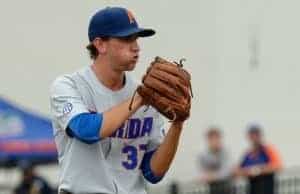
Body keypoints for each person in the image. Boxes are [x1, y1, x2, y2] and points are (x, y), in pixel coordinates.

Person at [50, 6, 188, 194]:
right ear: (100, 44)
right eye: (126, 39)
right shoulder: (68, 85)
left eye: (136, 39)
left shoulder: (146, 94)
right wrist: (140, 97)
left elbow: (153, 172)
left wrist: (177, 125)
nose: (136, 47)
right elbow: (86, 130)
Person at [234, 124, 283, 194]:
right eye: (252, 135)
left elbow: (278, 165)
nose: (254, 137)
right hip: (253, 189)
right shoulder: (248, 154)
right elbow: (237, 171)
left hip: (266, 188)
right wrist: (249, 171)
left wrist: (259, 170)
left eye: (256, 134)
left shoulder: (268, 150)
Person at [197, 127, 233, 194]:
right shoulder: (203, 155)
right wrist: (208, 177)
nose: (215, 141)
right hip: (211, 187)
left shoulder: (225, 152)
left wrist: (212, 176)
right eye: (212, 139)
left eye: (217, 138)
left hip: (226, 187)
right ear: (208, 140)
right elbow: (201, 174)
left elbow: (227, 172)